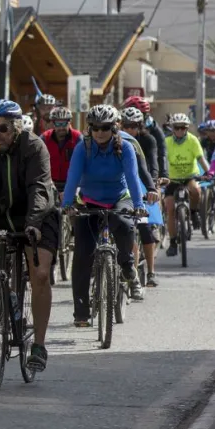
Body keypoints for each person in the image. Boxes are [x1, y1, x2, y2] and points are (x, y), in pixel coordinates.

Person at [0, 99, 58, 373]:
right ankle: (6, 296)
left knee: (40, 274)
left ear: (17, 127)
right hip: (2, 215)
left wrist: (33, 222)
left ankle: (39, 346)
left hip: (39, 217)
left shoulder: (34, 147)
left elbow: (40, 188)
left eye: (3, 128)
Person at [62, 105, 146, 325]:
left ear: (115, 127)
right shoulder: (84, 147)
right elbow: (73, 177)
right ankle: (81, 312)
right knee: (82, 255)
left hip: (119, 197)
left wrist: (138, 204)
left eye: (106, 127)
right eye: (95, 127)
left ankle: (128, 265)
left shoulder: (125, 148)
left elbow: (132, 177)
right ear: (89, 128)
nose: (100, 132)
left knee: (125, 223)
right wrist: (67, 203)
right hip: (89, 200)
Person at [120, 106, 162, 288]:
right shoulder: (116, 140)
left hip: (143, 186)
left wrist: (153, 185)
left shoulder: (147, 140)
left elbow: (152, 163)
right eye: (127, 125)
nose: (130, 130)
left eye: (134, 126)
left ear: (140, 125)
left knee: (144, 229)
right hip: (123, 188)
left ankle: (151, 272)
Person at [163, 113, 208, 254]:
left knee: (196, 190)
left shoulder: (193, 140)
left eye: (183, 128)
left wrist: (209, 173)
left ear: (187, 128)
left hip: (190, 176)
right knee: (170, 209)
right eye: (177, 128)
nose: (180, 131)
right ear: (172, 128)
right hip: (172, 179)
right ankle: (172, 243)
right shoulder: (167, 142)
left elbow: (201, 159)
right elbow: (161, 161)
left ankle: (194, 213)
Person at [42, 106, 82, 192]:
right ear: (53, 124)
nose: (61, 128)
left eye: (64, 124)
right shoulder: (45, 138)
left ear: (69, 123)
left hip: (73, 183)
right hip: (50, 183)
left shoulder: (78, 138)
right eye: (58, 124)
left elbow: (85, 162)